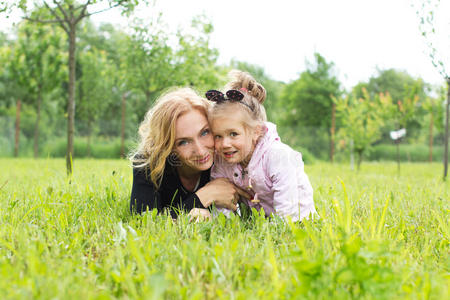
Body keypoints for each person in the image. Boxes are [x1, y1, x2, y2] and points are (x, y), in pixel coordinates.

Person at [207, 70, 317, 222]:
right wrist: (221, 223)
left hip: (297, 219)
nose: (225, 144)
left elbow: (288, 209)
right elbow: (221, 200)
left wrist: (280, 230)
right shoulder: (222, 161)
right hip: (259, 219)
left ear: (255, 132)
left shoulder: (278, 156)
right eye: (218, 136)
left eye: (233, 134)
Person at [129, 87, 250, 220]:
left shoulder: (226, 158)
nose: (200, 151)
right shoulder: (148, 163)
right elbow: (143, 221)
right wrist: (206, 195)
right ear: (168, 146)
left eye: (204, 132)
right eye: (183, 142)